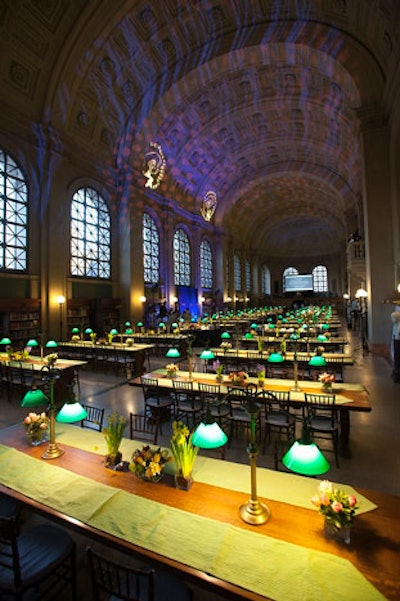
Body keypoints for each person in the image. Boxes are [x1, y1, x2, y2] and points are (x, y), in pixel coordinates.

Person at [391, 305, 400, 383]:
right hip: (398, 337)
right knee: (397, 356)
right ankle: (397, 373)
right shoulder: (396, 313)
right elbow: (394, 318)